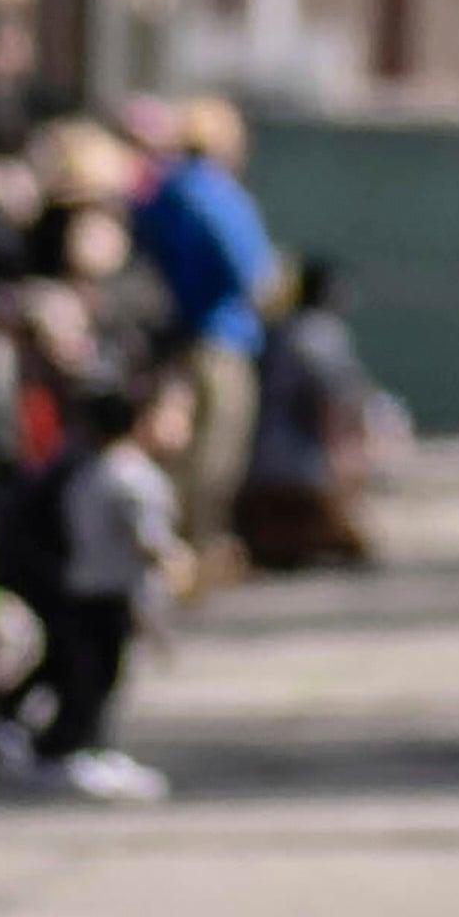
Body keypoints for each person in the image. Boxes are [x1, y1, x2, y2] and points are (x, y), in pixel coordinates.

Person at [126, 92, 276, 580]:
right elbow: (254, 272)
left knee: (178, 452)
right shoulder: (212, 190)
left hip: (174, 339)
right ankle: (191, 557)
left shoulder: (162, 190)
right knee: (210, 461)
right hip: (219, 339)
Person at [29, 383, 184, 803]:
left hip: (80, 586)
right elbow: (148, 541)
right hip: (109, 591)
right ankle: (77, 751)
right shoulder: (132, 476)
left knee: (86, 675)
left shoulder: (83, 474)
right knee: (96, 679)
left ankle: (84, 749)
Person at [238, 259, 387, 572]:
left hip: (260, 464)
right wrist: (341, 460)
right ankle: (328, 530)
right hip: (298, 467)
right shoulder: (317, 334)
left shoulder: (275, 331)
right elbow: (335, 401)